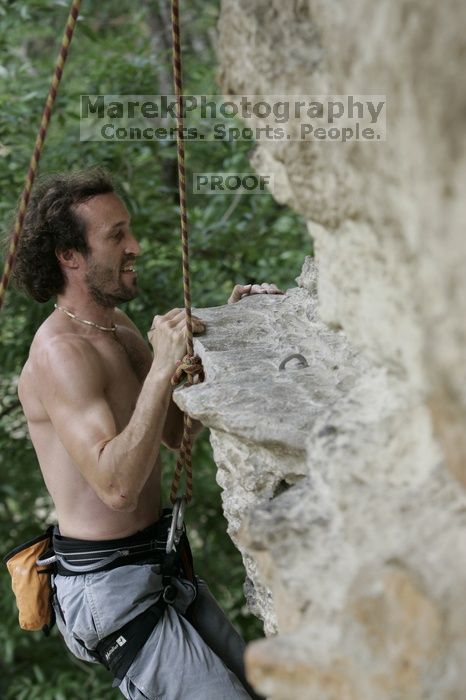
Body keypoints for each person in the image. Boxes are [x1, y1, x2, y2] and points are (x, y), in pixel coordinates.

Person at [11, 169, 283, 700]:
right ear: (70, 255)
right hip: (109, 591)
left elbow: (179, 430)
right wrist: (161, 367)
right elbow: (117, 487)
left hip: (151, 569)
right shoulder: (61, 354)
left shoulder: (116, 325)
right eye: (115, 236)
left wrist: (227, 332)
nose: (134, 246)